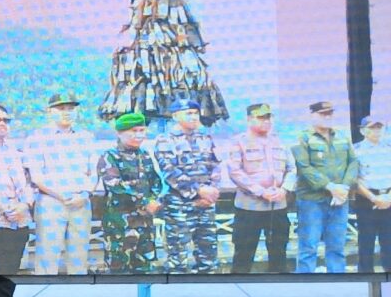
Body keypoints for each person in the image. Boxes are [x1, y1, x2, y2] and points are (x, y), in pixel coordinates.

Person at [21, 89, 96, 275]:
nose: (66, 112)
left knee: (79, 256)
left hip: (81, 201)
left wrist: (85, 194)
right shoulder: (37, 138)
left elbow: (94, 172)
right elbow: (36, 176)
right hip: (51, 202)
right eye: (61, 108)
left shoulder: (86, 137)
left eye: (71, 108)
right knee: (47, 255)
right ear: (50, 111)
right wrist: (63, 196)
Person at [151, 101, 223, 274]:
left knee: (208, 256)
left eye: (195, 113)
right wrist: (198, 191)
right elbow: (170, 171)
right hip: (179, 205)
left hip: (206, 205)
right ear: (175, 116)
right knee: (178, 258)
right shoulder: (165, 140)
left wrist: (212, 192)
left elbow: (215, 166)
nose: (193, 117)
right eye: (188, 113)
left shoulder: (206, 138)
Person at [93, 112, 166, 273]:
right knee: (118, 269)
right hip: (120, 224)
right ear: (120, 133)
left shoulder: (144, 155)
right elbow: (115, 185)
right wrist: (145, 202)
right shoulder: (110, 156)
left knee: (145, 267)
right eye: (133, 131)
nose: (139, 135)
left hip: (144, 222)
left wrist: (153, 200)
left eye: (142, 130)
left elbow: (155, 182)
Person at [224, 101, 293, 272]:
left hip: (277, 207)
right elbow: (235, 172)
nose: (266, 121)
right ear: (249, 119)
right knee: (243, 257)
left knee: (279, 255)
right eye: (261, 118)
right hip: (249, 209)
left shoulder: (279, 141)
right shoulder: (238, 142)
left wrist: (284, 189)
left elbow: (292, 169)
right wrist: (261, 192)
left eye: (268, 117)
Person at [293, 101, 356, 274]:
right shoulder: (302, 138)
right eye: (323, 114)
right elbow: (304, 167)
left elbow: (353, 162)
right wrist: (330, 186)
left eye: (330, 113)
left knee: (337, 246)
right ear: (312, 115)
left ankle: (337, 281)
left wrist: (344, 187)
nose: (327, 117)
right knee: (309, 246)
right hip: (311, 201)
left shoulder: (342, 136)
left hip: (339, 200)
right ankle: (305, 282)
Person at [0, 103, 36, 274]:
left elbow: (29, 182)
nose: (2, 123)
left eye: (6, 120)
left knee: (10, 275)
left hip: (20, 222)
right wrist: (6, 209)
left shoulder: (15, 150)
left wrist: (24, 205)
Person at [353, 119, 391, 275]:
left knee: (389, 242)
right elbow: (353, 179)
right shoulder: (355, 150)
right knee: (366, 242)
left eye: (379, 127)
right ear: (362, 130)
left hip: (388, 199)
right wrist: (374, 198)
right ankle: (365, 277)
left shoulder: (389, 148)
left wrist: (388, 197)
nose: (376, 130)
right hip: (366, 200)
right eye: (372, 127)